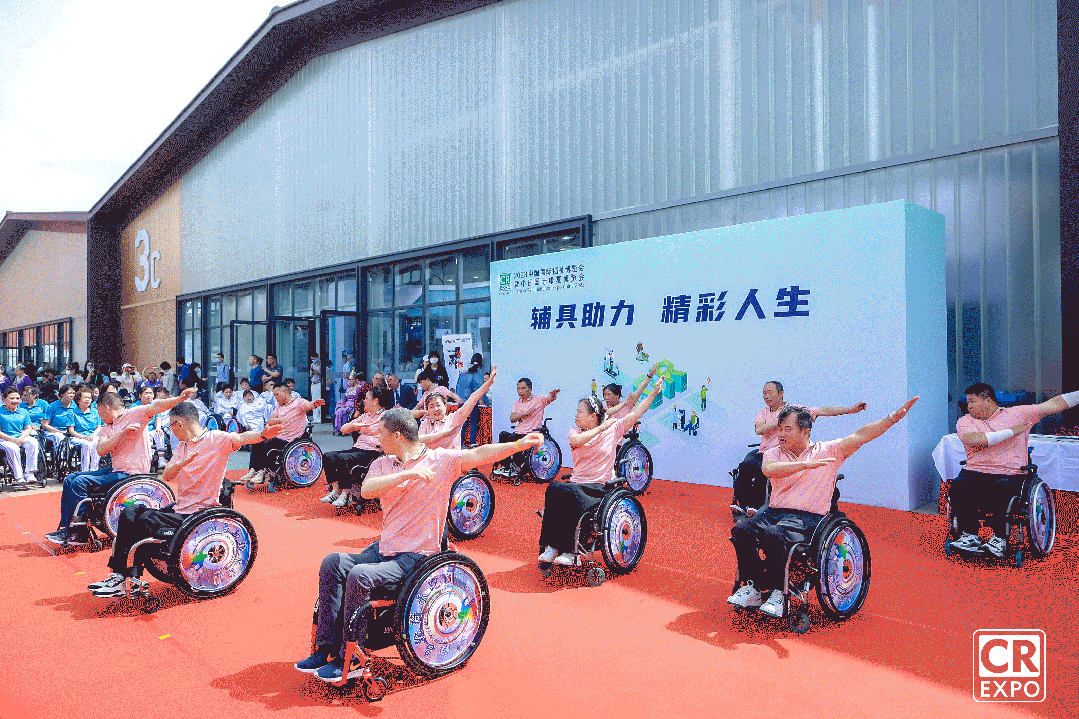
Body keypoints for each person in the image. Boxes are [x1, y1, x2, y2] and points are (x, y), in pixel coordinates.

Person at [294, 408, 543, 682]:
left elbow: (479, 454)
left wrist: (518, 444)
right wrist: (406, 475)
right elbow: (367, 490)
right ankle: (325, 648)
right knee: (332, 562)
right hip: (386, 548)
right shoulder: (382, 463)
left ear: (397, 436)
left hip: (417, 556)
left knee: (360, 575)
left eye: (381, 433)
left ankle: (352, 656)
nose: (377, 437)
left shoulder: (440, 460)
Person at [727, 399, 917, 617]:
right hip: (775, 511)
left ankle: (780, 591)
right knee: (742, 529)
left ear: (805, 431)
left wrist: (892, 418)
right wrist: (803, 465)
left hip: (809, 517)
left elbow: (861, 435)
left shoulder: (829, 450)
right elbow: (770, 470)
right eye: (779, 429)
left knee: (775, 534)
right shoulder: (773, 452)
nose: (781, 434)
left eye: (787, 429)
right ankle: (753, 585)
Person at [86, 402, 284, 597]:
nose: (171, 431)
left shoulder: (216, 438)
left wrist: (263, 435)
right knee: (130, 511)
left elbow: (240, 438)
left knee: (142, 520)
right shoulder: (182, 446)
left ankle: (124, 577)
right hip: (180, 510)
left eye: (171, 426)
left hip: (197, 514)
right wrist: (180, 463)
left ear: (179, 424)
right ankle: (120, 576)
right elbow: (167, 475)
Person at [44, 387, 198, 545]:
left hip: (132, 474)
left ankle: (79, 531)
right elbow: (101, 450)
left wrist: (179, 399)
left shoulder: (134, 413)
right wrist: (122, 433)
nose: (99, 416)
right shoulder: (107, 428)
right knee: (71, 478)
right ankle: (67, 527)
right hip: (116, 471)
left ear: (106, 407)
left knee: (80, 482)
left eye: (99, 411)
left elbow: (157, 406)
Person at [537, 378, 665, 565]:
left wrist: (653, 393)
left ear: (593, 416)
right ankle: (552, 547)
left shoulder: (613, 429)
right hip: (577, 484)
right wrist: (600, 429)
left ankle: (571, 553)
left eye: (580, 412)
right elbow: (576, 441)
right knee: (554, 489)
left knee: (572, 494)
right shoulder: (575, 431)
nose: (576, 415)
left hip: (599, 487)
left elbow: (637, 412)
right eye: (577, 411)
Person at [950, 383, 1079, 557]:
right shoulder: (965, 420)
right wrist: (1011, 432)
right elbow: (975, 439)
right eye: (968, 402)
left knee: (1001, 488)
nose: (969, 406)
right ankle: (969, 535)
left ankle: (999, 539)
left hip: (1009, 472)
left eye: (972, 401)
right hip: (975, 470)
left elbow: (1054, 404)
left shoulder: (1018, 413)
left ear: (988, 400)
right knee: (959, 486)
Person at [732, 380, 868, 515]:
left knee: (770, 470)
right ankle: (742, 503)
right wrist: (783, 420)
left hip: (789, 453)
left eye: (769, 392)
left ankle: (757, 505)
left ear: (781, 393)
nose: (766, 396)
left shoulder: (795, 411)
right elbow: (759, 429)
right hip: (767, 452)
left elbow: (823, 410)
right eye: (764, 393)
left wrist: (851, 409)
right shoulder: (764, 412)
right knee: (746, 465)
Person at [321, 387, 394, 508]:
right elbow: (343, 429)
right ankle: (335, 490)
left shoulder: (386, 416)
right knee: (328, 456)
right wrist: (354, 425)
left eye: (366, 398)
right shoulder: (365, 416)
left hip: (373, 452)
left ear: (375, 401)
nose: (363, 401)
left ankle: (346, 493)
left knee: (343, 459)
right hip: (358, 448)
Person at [242, 383, 325, 485]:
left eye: (277, 395)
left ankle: (262, 471)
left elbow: (308, 405)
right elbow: (270, 421)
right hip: (278, 436)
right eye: (274, 395)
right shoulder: (279, 407)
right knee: (257, 439)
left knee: (267, 443)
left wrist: (314, 404)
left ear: (285, 392)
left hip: (291, 441)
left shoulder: (299, 402)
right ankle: (253, 470)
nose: (275, 398)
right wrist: (280, 420)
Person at [492, 378, 561, 477]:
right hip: (518, 432)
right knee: (503, 435)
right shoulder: (517, 403)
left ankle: (516, 467)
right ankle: (505, 466)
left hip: (531, 434)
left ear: (530, 389)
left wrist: (553, 395)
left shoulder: (539, 399)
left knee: (517, 441)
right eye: (518, 389)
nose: (520, 391)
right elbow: (512, 418)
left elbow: (550, 398)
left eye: (523, 388)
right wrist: (525, 413)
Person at [420, 365, 497, 451]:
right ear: (427, 409)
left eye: (438, 405)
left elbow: (473, 398)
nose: (436, 409)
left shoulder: (453, 419)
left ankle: (471, 444)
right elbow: (419, 441)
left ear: (445, 405)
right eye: (431, 406)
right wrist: (444, 434)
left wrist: (489, 383)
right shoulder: (425, 423)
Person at [0, 387, 41, 485]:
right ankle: (19, 476)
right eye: (12, 398)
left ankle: (29, 473)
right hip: (4, 439)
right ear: (4, 399)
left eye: (17, 398)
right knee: (13, 448)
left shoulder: (23, 411)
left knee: (33, 442)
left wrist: (21, 438)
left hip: (20, 437)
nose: (15, 401)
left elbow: (28, 428)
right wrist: (12, 439)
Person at [68, 386, 103, 472]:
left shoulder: (95, 411)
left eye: (89, 398)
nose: (87, 400)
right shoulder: (72, 412)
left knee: (96, 443)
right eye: (85, 397)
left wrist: (93, 436)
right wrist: (83, 437)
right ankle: (85, 470)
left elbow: (99, 427)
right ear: (78, 400)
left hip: (93, 436)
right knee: (86, 444)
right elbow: (71, 430)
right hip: (78, 437)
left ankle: (94, 469)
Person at [454, 353, 485, 446]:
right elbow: (480, 390)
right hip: (472, 403)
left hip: (462, 403)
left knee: (462, 425)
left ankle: (460, 444)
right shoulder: (477, 373)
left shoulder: (463, 372)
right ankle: (472, 445)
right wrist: (487, 401)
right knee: (473, 425)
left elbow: (458, 388)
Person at [41, 385, 77, 453]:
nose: (72, 395)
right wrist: (59, 431)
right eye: (69, 393)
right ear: (62, 394)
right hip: (53, 432)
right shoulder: (53, 406)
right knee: (59, 437)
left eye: (73, 393)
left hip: (69, 432)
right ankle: (61, 457)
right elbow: (45, 425)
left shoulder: (75, 407)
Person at [309, 354, 322, 423]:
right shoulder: (312, 365)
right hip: (313, 383)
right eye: (312, 359)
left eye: (314, 358)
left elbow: (322, 373)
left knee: (318, 400)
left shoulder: (320, 364)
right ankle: (315, 417)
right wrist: (312, 372)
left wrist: (316, 371)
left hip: (319, 383)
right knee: (314, 401)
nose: (313, 360)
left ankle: (320, 417)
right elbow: (310, 375)